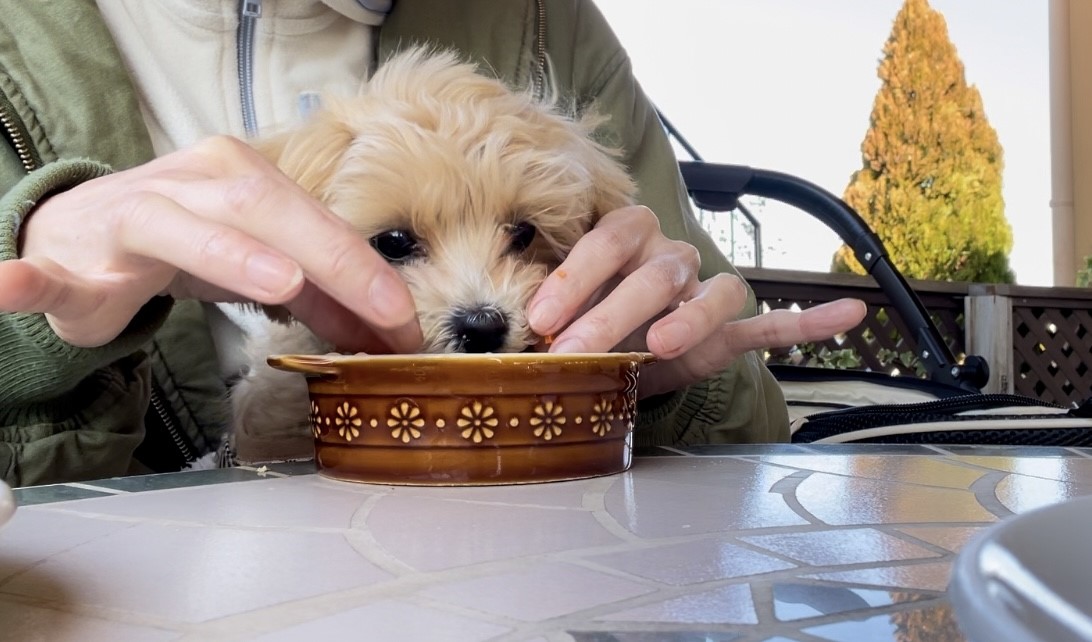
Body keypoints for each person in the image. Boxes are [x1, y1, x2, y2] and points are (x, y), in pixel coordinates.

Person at [0, 0, 865, 486]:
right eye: (397, 241)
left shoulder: (551, 25)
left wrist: (662, 386)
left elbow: (741, 419)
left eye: (522, 236)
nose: (482, 299)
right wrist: (31, 342)